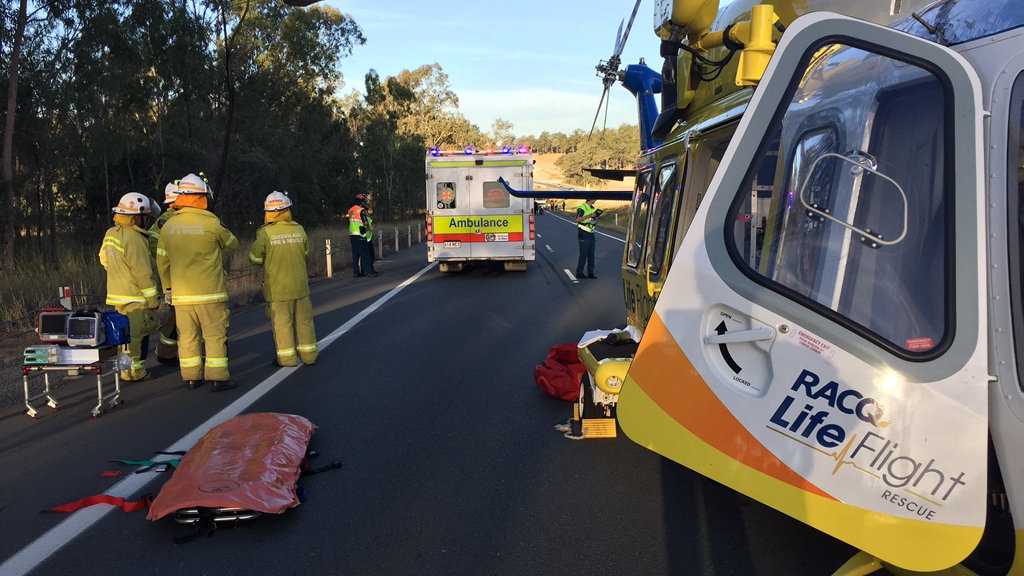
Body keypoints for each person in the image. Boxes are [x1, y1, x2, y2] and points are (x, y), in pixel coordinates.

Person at [156, 173, 239, 391]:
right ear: (200, 197)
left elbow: (162, 261)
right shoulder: (211, 223)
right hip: (211, 293)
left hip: (182, 296)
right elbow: (233, 244)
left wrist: (168, 288)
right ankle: (218, 378)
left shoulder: (168, 227)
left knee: (188, 338)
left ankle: (191, 377)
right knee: (214, 336)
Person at [249, 191, 318, 367]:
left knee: (282, 325)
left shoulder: (265, 233)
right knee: (304, 322)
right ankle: (309, 356)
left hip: (278, 289)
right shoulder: (299, 229)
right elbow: (306, 253)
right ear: (287, 209)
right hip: (300, 286)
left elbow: (255, 258)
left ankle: (287, 359)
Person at [99, 193, 160, 382]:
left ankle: (125, 371)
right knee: (137, 336)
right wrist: (152, 299)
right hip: (135, 296)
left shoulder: (111, 233)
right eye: (144, 217)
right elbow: (143, 272)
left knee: (123, 335)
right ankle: (136, 372)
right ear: (135, 217)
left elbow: (103, 259)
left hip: (117, 295)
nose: (146, 221)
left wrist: (119, 274)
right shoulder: (136, 239)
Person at [148, 180, 180, 365]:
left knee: (176, 318)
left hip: (171, 278)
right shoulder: (173, 220)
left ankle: (166, 353)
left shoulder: (161, 222)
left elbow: (154, 248)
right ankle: (168, 352)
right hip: (183, 278)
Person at [347, 193, 375, 277]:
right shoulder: (361, 210)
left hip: (352, 234)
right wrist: (368, 230)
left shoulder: (351, 210)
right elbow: (365, 223)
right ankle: (368, 272)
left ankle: (356, 272)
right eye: (364, 201)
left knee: (355, 254)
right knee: (365, 254)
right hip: (361, 234)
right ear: (361, 202)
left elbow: (350, 220)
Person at [575, 199, 602, 279]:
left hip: (591, 232)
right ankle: (579, 273)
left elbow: (593, 220)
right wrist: (590, 215)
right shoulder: (582, 207)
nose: (596, 200)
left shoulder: (593, 208)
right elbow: (577, 219)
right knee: (583, 254)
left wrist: (596, 219)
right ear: (590, 199)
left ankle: (591, 273)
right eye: (595, 198)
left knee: (591, 255)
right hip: (583, 232)